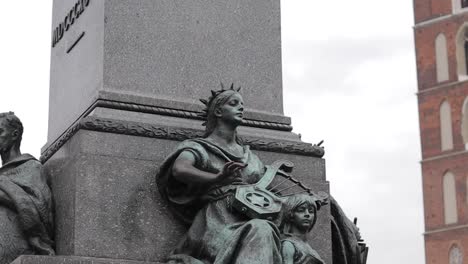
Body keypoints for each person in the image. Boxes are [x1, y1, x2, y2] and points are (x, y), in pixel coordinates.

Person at [156, 86, 282, 264]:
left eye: (242, 104)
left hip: (250, 218)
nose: (241, 108)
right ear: (218, 111)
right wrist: (216, 178)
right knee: (261, 229)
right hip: (217, 222)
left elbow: (271, 194)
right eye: (234, 103)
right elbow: (180, 169)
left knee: (264, 229)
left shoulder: (250, 156)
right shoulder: (200, 147)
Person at [0, 112, 55, 264]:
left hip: (17, 248)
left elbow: (40, 209)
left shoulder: (31, 167)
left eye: (0, 132)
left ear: (14, 134)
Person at [280, 194, 325, 264]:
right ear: (290, 215)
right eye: (301, 210)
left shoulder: (312, 250)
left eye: (311, 211)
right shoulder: (288, 245)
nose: (307, 214)